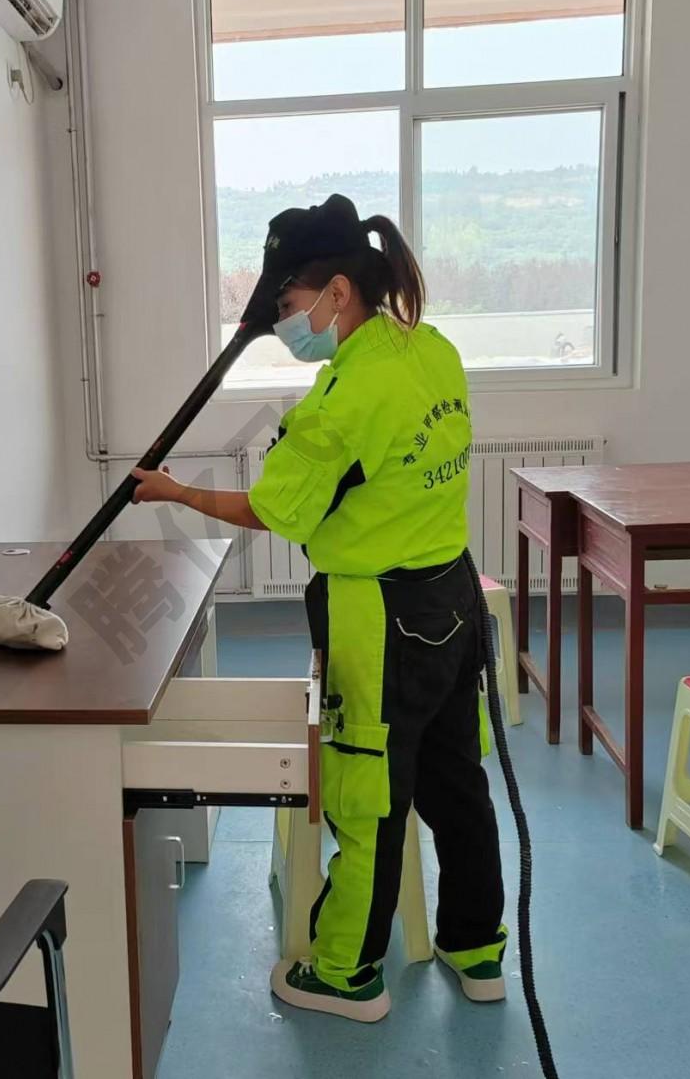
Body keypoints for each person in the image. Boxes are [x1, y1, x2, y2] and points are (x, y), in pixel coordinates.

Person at [131, 194, 506, 1024]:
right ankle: (477, 949)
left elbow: (272, 511)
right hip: (453, 593)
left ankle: (345, 974)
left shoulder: (341, 402)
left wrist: (175, 492)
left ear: (339, 292)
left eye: (292, 307)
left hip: (380, 615)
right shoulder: (430, 349)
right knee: (456, 779)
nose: (290, 327)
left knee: (367, 793)